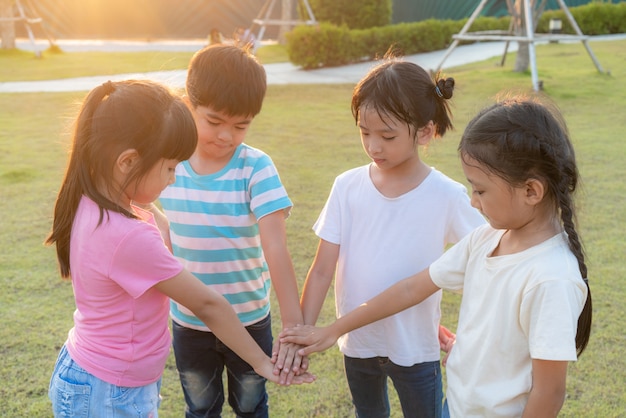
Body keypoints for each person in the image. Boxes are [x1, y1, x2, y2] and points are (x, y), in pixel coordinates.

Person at [281, 95, 593, 418]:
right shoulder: (486, 239)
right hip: (454, 407)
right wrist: (334, 330)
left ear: (531, 191)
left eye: (480, 190)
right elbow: (410, 289)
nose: (472, 202)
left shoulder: (552, 278)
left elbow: (549, 392)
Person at [45, 80, 313, 417]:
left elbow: (162, 225)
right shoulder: (126, 236)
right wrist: (261, 362)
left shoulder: (96, 202)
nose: (174, 178)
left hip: (102, 377)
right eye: (171, 167)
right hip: (109, 392)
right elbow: (208, 304)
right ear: (127, 162)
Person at [292, 55, 485, 418]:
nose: (373, 146)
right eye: (364, 133)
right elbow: (321, 270)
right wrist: (303, 335)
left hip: (415, 347)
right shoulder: (347, 186)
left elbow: (489, 259)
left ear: (425, 131)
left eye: (387, 135)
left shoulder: (447, 194)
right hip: (358, 343)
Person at [153, 44, 306, 418]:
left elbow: (276, 248)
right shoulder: (167, 165)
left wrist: (293, 326)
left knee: (251, 407)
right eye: (214, 121)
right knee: (201, 409)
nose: (226, 136)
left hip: (250, 319)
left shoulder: (256, 167)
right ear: (189, 103)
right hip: (190, 321)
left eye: (240, 126)